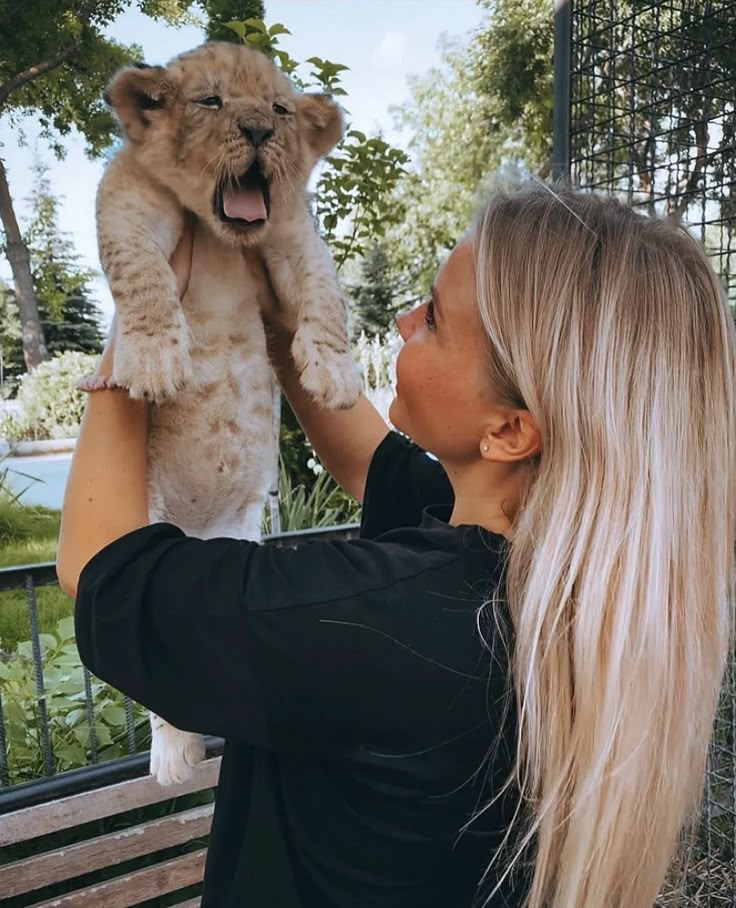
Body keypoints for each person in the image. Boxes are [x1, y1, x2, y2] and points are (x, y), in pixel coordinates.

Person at [57, 186, 736, 908]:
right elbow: (363, 459)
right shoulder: (567, 577)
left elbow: (102, 566)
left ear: (509, 432)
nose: (408, 320)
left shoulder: (382, 625)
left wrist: (144, 317)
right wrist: (277, 298)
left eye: (436, 320)